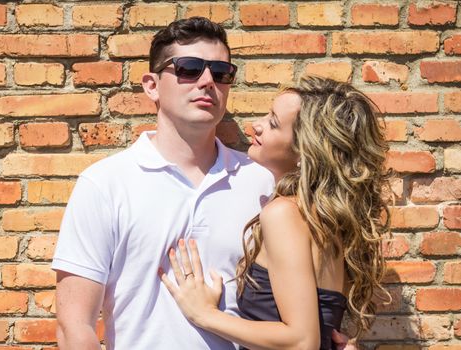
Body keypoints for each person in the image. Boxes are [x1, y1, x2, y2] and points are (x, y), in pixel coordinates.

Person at [52, 17, 353, 349]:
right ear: (152, 85)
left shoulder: (267, 182)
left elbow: (307, 305)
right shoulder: (105, 184)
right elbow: (74, 326)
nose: (208, 80)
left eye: (221, 72)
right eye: (189, 68)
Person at [160, 76, 392, 349]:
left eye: (272, 123)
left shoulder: (284, 214)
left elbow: (301, 341)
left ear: (305, 150)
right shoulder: (325, 219)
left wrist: (205, 315)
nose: (256, 126)